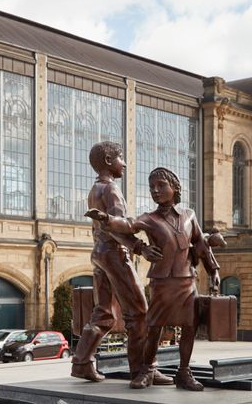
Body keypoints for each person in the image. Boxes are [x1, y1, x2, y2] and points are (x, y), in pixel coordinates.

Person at [86, 167, 220, 391]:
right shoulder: (149, 218)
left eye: (160, 186)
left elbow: (201, 245)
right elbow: (128, 225)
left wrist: (213, 270)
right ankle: (147, 369)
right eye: (152, 188)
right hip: (162, 282)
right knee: (154, 326)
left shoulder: (189, 216)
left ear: (175, 188)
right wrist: (106, 218)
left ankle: (184, 372)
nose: (155, 191)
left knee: (189, 327)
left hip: (187, 281)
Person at [70, 141, 166, 388]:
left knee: (104, 312)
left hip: (99, 254)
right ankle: (143, 370)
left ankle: (81, 363)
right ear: (109, 161)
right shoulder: (111, 189)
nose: (124, 163)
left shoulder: (95, 189)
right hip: (114, 254)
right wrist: (140, 247)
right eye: (121, 158)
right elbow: (114, 226)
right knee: (140, 313)